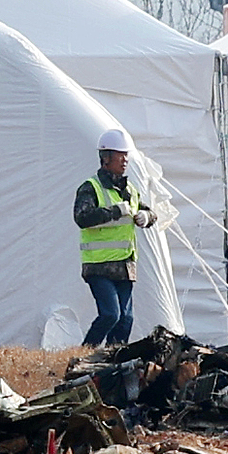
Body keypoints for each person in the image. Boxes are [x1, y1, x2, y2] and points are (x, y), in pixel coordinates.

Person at [73, 127, 156, 347]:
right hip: (99, 266)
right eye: (121, 155)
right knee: (111, 314)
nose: (125, 160)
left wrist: (147, 216)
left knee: (126, 319)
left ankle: (112, 364)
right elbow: (82, 217)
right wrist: (115, 212)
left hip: (124, 265)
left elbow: (151, 212)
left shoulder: (129, 189)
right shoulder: (91, 188)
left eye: (126, 155)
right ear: (106, 158)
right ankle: (85, 355)